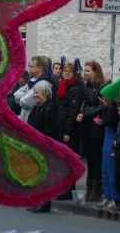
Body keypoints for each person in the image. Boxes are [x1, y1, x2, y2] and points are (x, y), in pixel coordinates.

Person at [94, 72, 120, 211]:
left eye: (105, 97)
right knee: (105, 168)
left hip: (112, 136)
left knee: (111, 169)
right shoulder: (108, 107)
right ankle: (107, 195)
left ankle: (114, 197)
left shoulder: (115, 108)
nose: (103, 99)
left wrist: (104, 116)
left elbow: (110, 121)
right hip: (107, 136)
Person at [26, 80, 60, 213]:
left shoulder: (49, 109)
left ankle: (44, 204)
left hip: (44, 147)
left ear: (45, 94)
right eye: (34, 92)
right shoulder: (37, 107)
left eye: (37, 93)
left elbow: (51, 131)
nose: (35, 95)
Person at [76, 60, 106, 202]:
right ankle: (89, 187)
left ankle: (97, 189)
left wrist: (85, 114)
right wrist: (81, 113)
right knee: (89, 156)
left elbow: (101, 106)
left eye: (88, 70)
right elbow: (84, 102)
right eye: (85, 70)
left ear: (95, 72)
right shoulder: (86, 86)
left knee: (96, 156)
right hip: (86, 123)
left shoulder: (102, 87)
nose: (85, 73)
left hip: (96, 124)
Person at [55, 60, 83, 200]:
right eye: (65, 71)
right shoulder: (61, 86)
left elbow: (73, 112)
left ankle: (69, 189)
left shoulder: (76, 89)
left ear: (74, 74)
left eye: (69, 71)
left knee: (69, 160)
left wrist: (68, 131)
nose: (66, 73)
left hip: (70, 130)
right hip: (60, 126)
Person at [14, 56, 58, 122]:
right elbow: (16, 95)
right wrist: (25, 95)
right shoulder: (32, 80)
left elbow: (25, 102)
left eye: (32, 66)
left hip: (32, 117)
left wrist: (24, 95)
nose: (29, 68)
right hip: (25, 116)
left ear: (40, 68)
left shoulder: (43, 83)